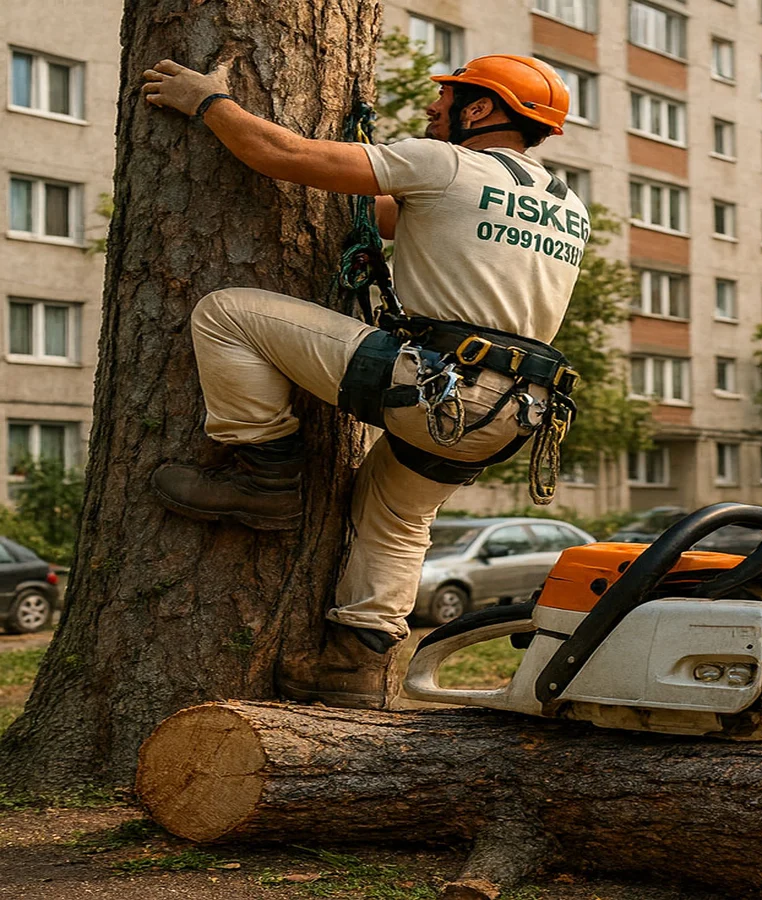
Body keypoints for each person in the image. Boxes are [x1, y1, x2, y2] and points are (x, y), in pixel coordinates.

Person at [139, 54, 588, 708]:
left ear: (481, 109)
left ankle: (267, 478)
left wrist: (206, 101)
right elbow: (382, 216)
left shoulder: (446, 165)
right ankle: (354, 665)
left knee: (226, 314)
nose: (433, 110)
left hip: (436, 383)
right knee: (398, 514)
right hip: (515, 412)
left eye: (446, 100)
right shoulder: (567, 206)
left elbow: (282, 155)